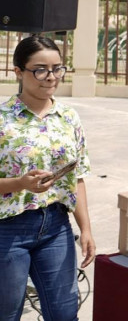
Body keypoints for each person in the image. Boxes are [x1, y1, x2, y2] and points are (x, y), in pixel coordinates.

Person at [0, 35, 95, 320]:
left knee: (64, 313)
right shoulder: (3, 119)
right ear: (18, 72)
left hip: (55, 227)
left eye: (57, 68)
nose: (50, 77)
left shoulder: (68, 116)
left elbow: (77, 178)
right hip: (8, 230)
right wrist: (20, 184)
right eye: (40, 69)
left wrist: (86, 228)